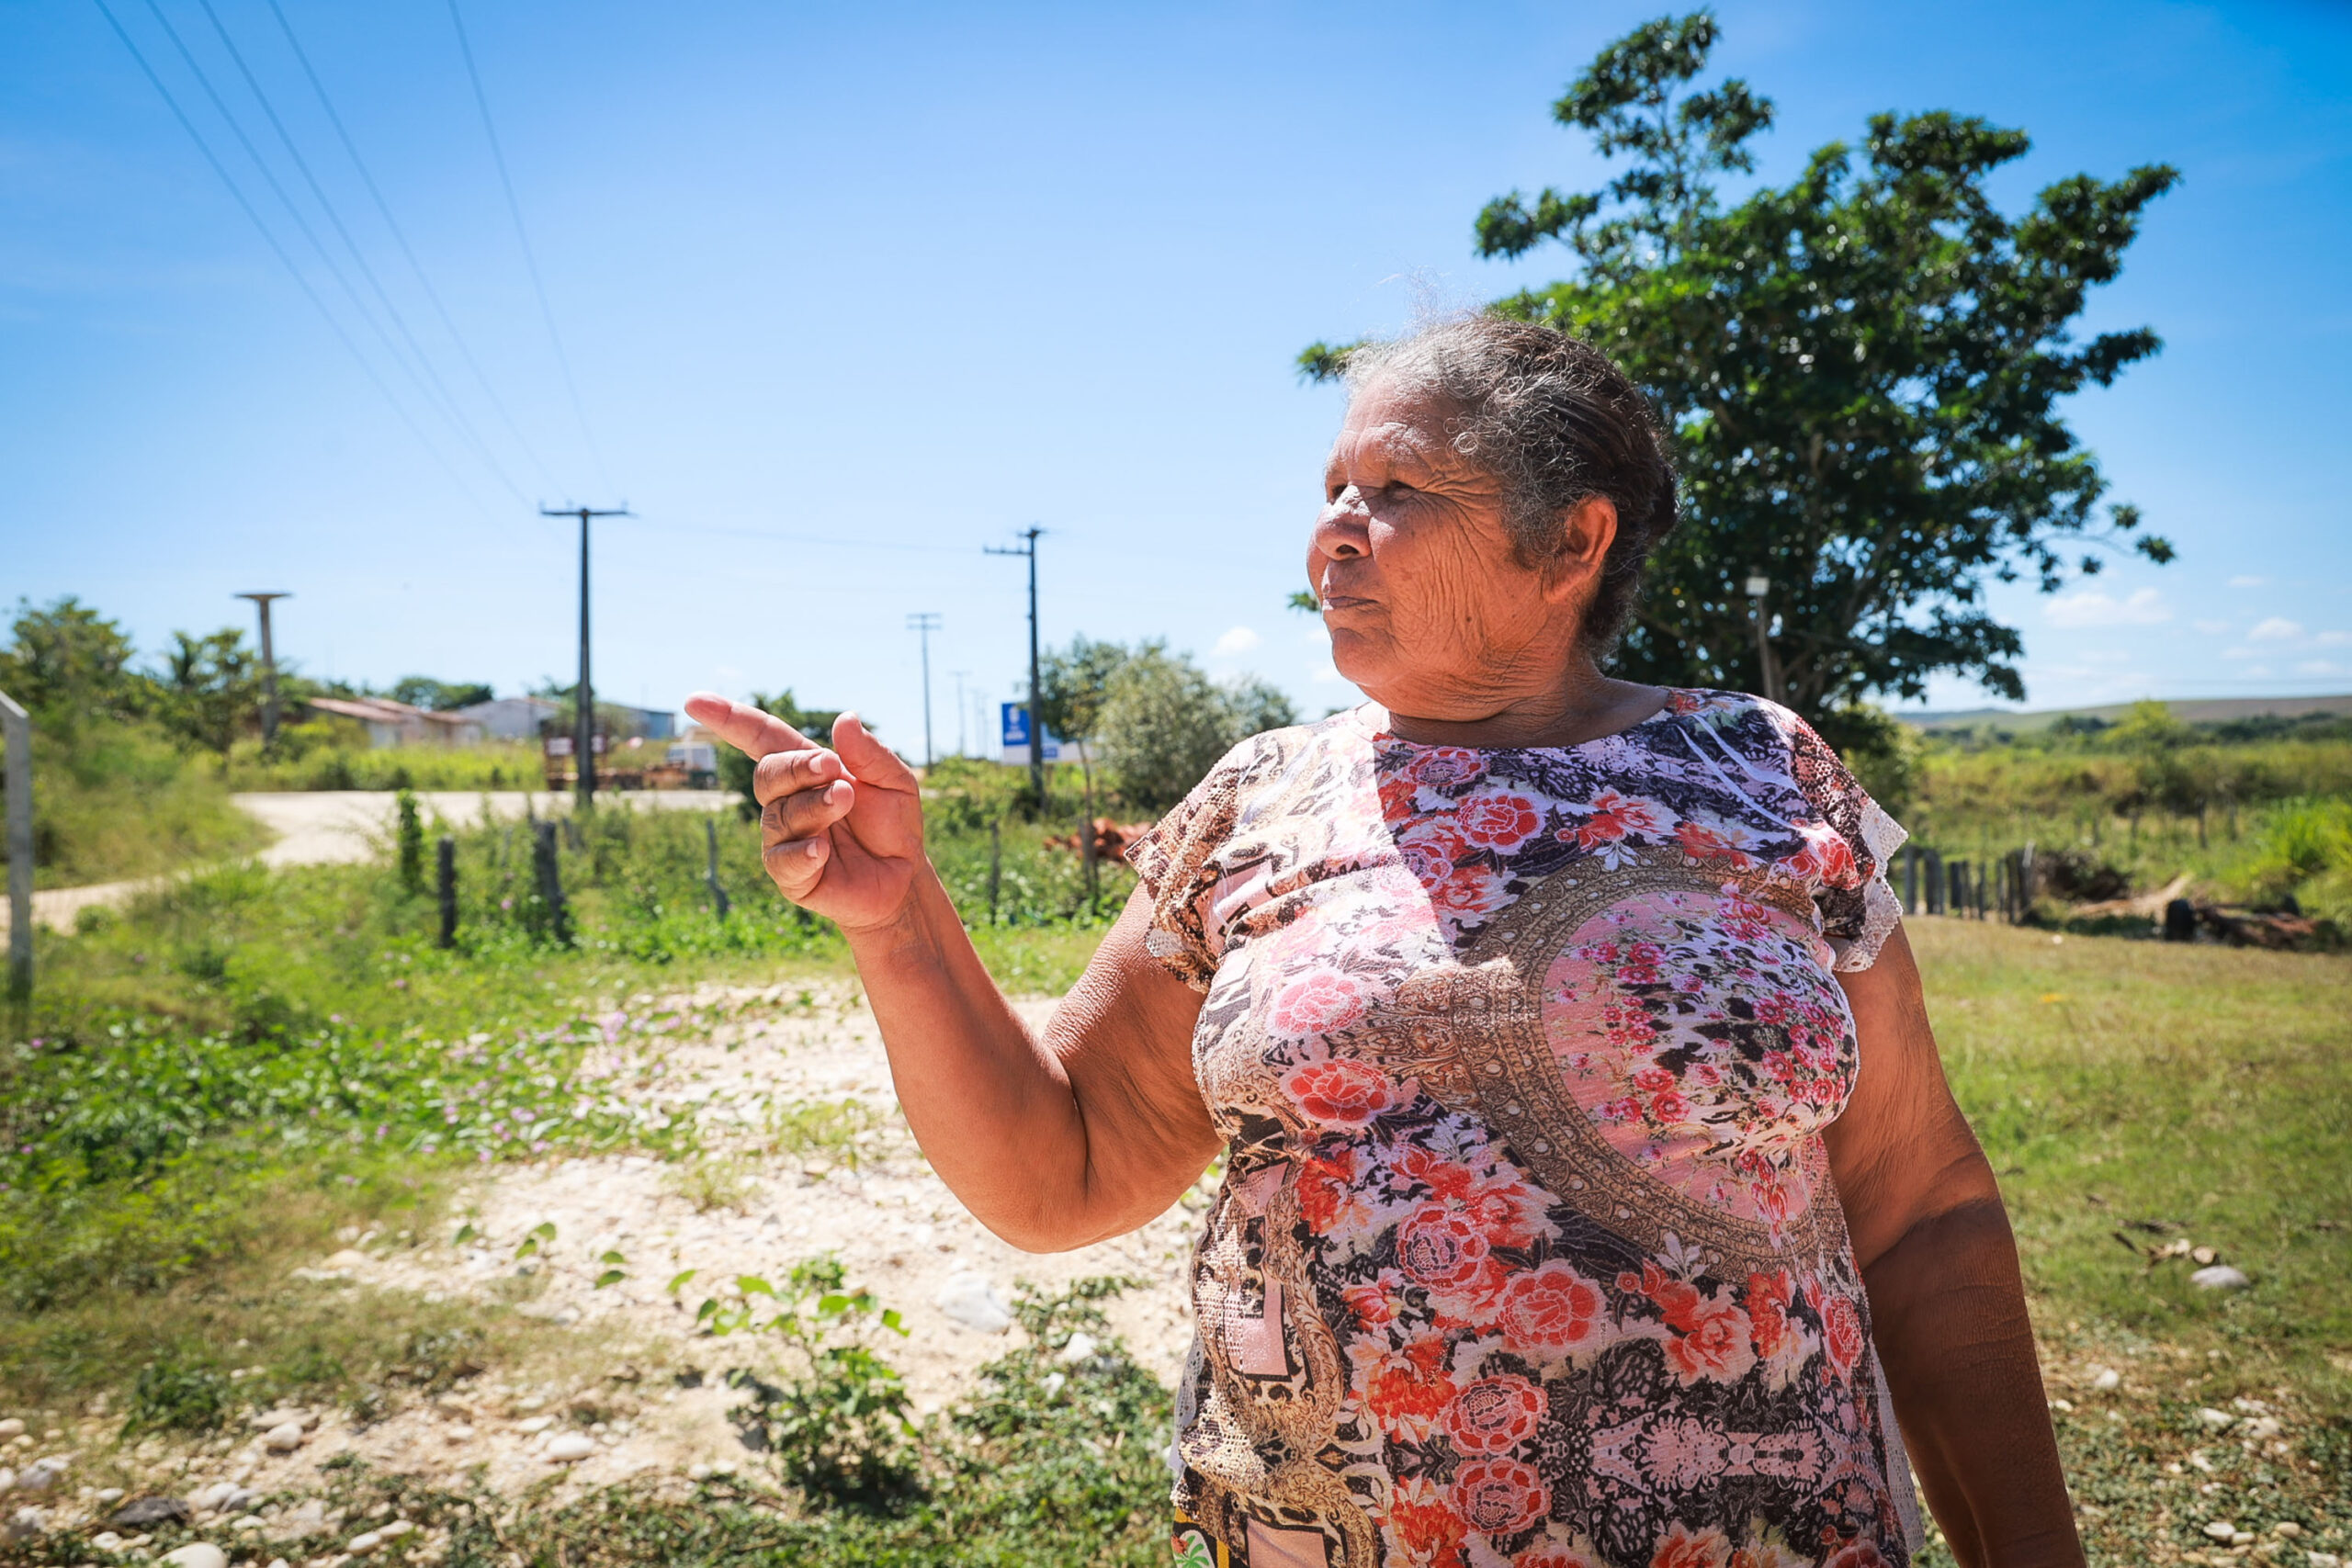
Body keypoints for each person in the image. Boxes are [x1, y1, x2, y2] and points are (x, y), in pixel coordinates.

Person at [685, 315, 2078, 1568]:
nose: (1334, 535)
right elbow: (1069, 1169)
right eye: (1332, 492)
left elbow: (1923, 1208)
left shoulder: (1762, 768)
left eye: (1398, 491)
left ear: (1572, 543)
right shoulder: (1256, 798)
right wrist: (899, 921)